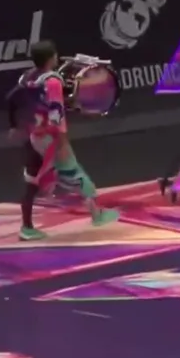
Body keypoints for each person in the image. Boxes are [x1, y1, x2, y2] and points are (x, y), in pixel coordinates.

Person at [10, 40, 119, 241]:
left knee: (32, 183)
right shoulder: (53, 82)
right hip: (50, 138)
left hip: (35, 135)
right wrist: (61, 141)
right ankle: (97, 215)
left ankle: (26, 227)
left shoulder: (29, 77)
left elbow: (13, 99)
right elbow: (55, 114)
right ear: (52, 57)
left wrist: (13, 125)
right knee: (76, 173)